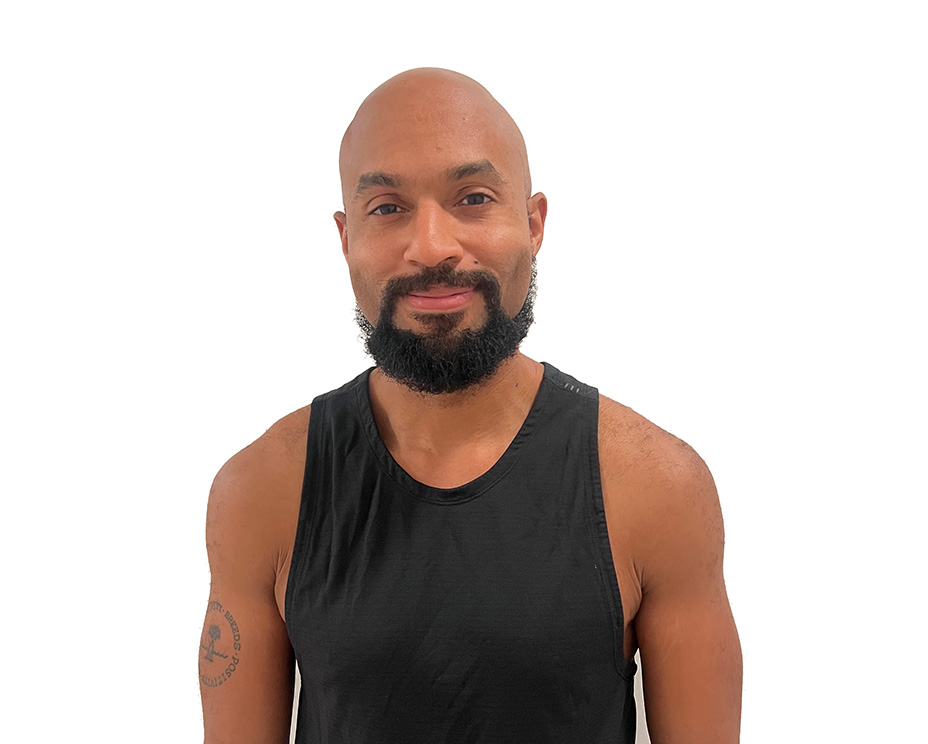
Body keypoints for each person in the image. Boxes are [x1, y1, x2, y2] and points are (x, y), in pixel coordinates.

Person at [199, 67, 743, 744]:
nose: (431, 246)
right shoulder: (261, 492)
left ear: (533, 223)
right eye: (387, 207)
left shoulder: (657, 487)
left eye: (474, 198)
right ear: (346, 239)